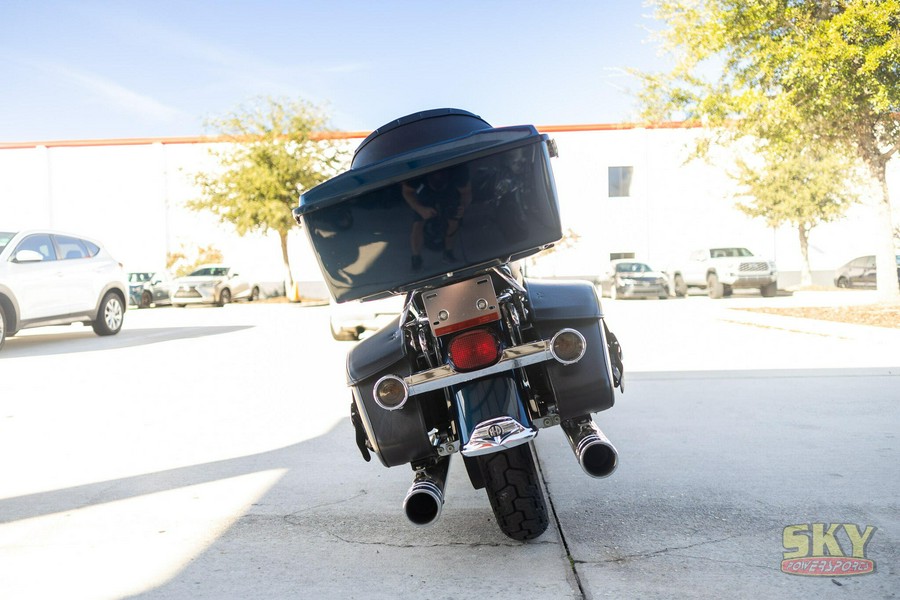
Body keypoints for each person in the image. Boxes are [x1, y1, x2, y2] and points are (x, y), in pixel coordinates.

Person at [401, 165, 472, 271]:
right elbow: (406, 192)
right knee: (418, 224)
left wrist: (463, 207)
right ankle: (416, 258)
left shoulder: (458, 171)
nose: (438, 176)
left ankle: (448, 253)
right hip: (424, 194)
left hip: (450, 194)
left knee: (453, 220)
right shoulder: (416, 174)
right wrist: (420, 209)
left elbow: (466, 192)